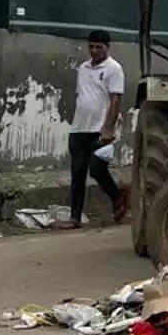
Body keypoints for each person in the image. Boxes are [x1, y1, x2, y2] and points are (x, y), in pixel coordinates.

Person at [69, 30, 127, 227]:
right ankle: (74, 218)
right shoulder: (83, 68)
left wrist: (108, 128)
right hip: (78, 129)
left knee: (97, 169)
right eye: (91, 46)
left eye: (98, 47)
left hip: (101, 131)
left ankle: (117, 196)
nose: (94, 51)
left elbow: (115, 100)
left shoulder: (114, 68)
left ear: (107, 47)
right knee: (77, 173)